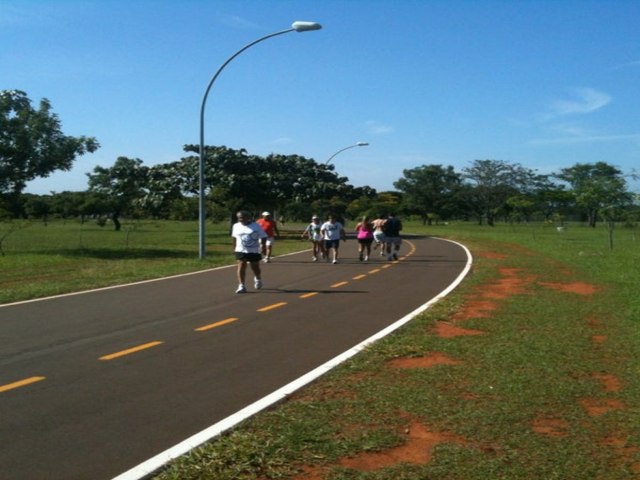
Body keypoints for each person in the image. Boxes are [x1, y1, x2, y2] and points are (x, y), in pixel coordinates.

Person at [231, 210, 267, 294]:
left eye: (243, 218)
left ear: (248, 218)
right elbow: (234, 238)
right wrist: (234, 248)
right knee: (241, 266)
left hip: (254, 250)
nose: (241, 219)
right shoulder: (236, 226)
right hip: (240, 250)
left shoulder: (256, 226)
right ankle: (241, 286)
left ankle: (258, 278)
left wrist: (263, 246)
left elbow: (264, 236)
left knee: (255, 267)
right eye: (239, 218)